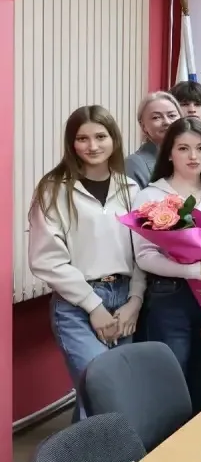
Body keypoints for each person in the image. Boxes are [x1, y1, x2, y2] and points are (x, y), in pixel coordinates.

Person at [29, 106, 145, 417]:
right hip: (77, 304)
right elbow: (47, 260)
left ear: (114, 139)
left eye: (100, 137)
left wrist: (135, 301)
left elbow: (142, 252)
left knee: (116, 394)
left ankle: (98, 448)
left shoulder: (131, 189)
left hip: (124, 299)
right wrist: (94, 307)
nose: (92, 146)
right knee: (99, 386)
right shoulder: (53, 190)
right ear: (72, 143)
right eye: (82, 138)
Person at [133, 118, 201, 411]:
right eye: (183, 148)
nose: (194, 156)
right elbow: (144, 256)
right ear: (169, 153)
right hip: (170, 297)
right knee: (172, 377)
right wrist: (191, 271)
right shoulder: (151, 196)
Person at [125, 91, 180, 188]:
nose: (167, 122)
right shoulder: (133, 163)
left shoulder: (193, 156)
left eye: (172, 116)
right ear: (143, 126)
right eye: (156, 117)